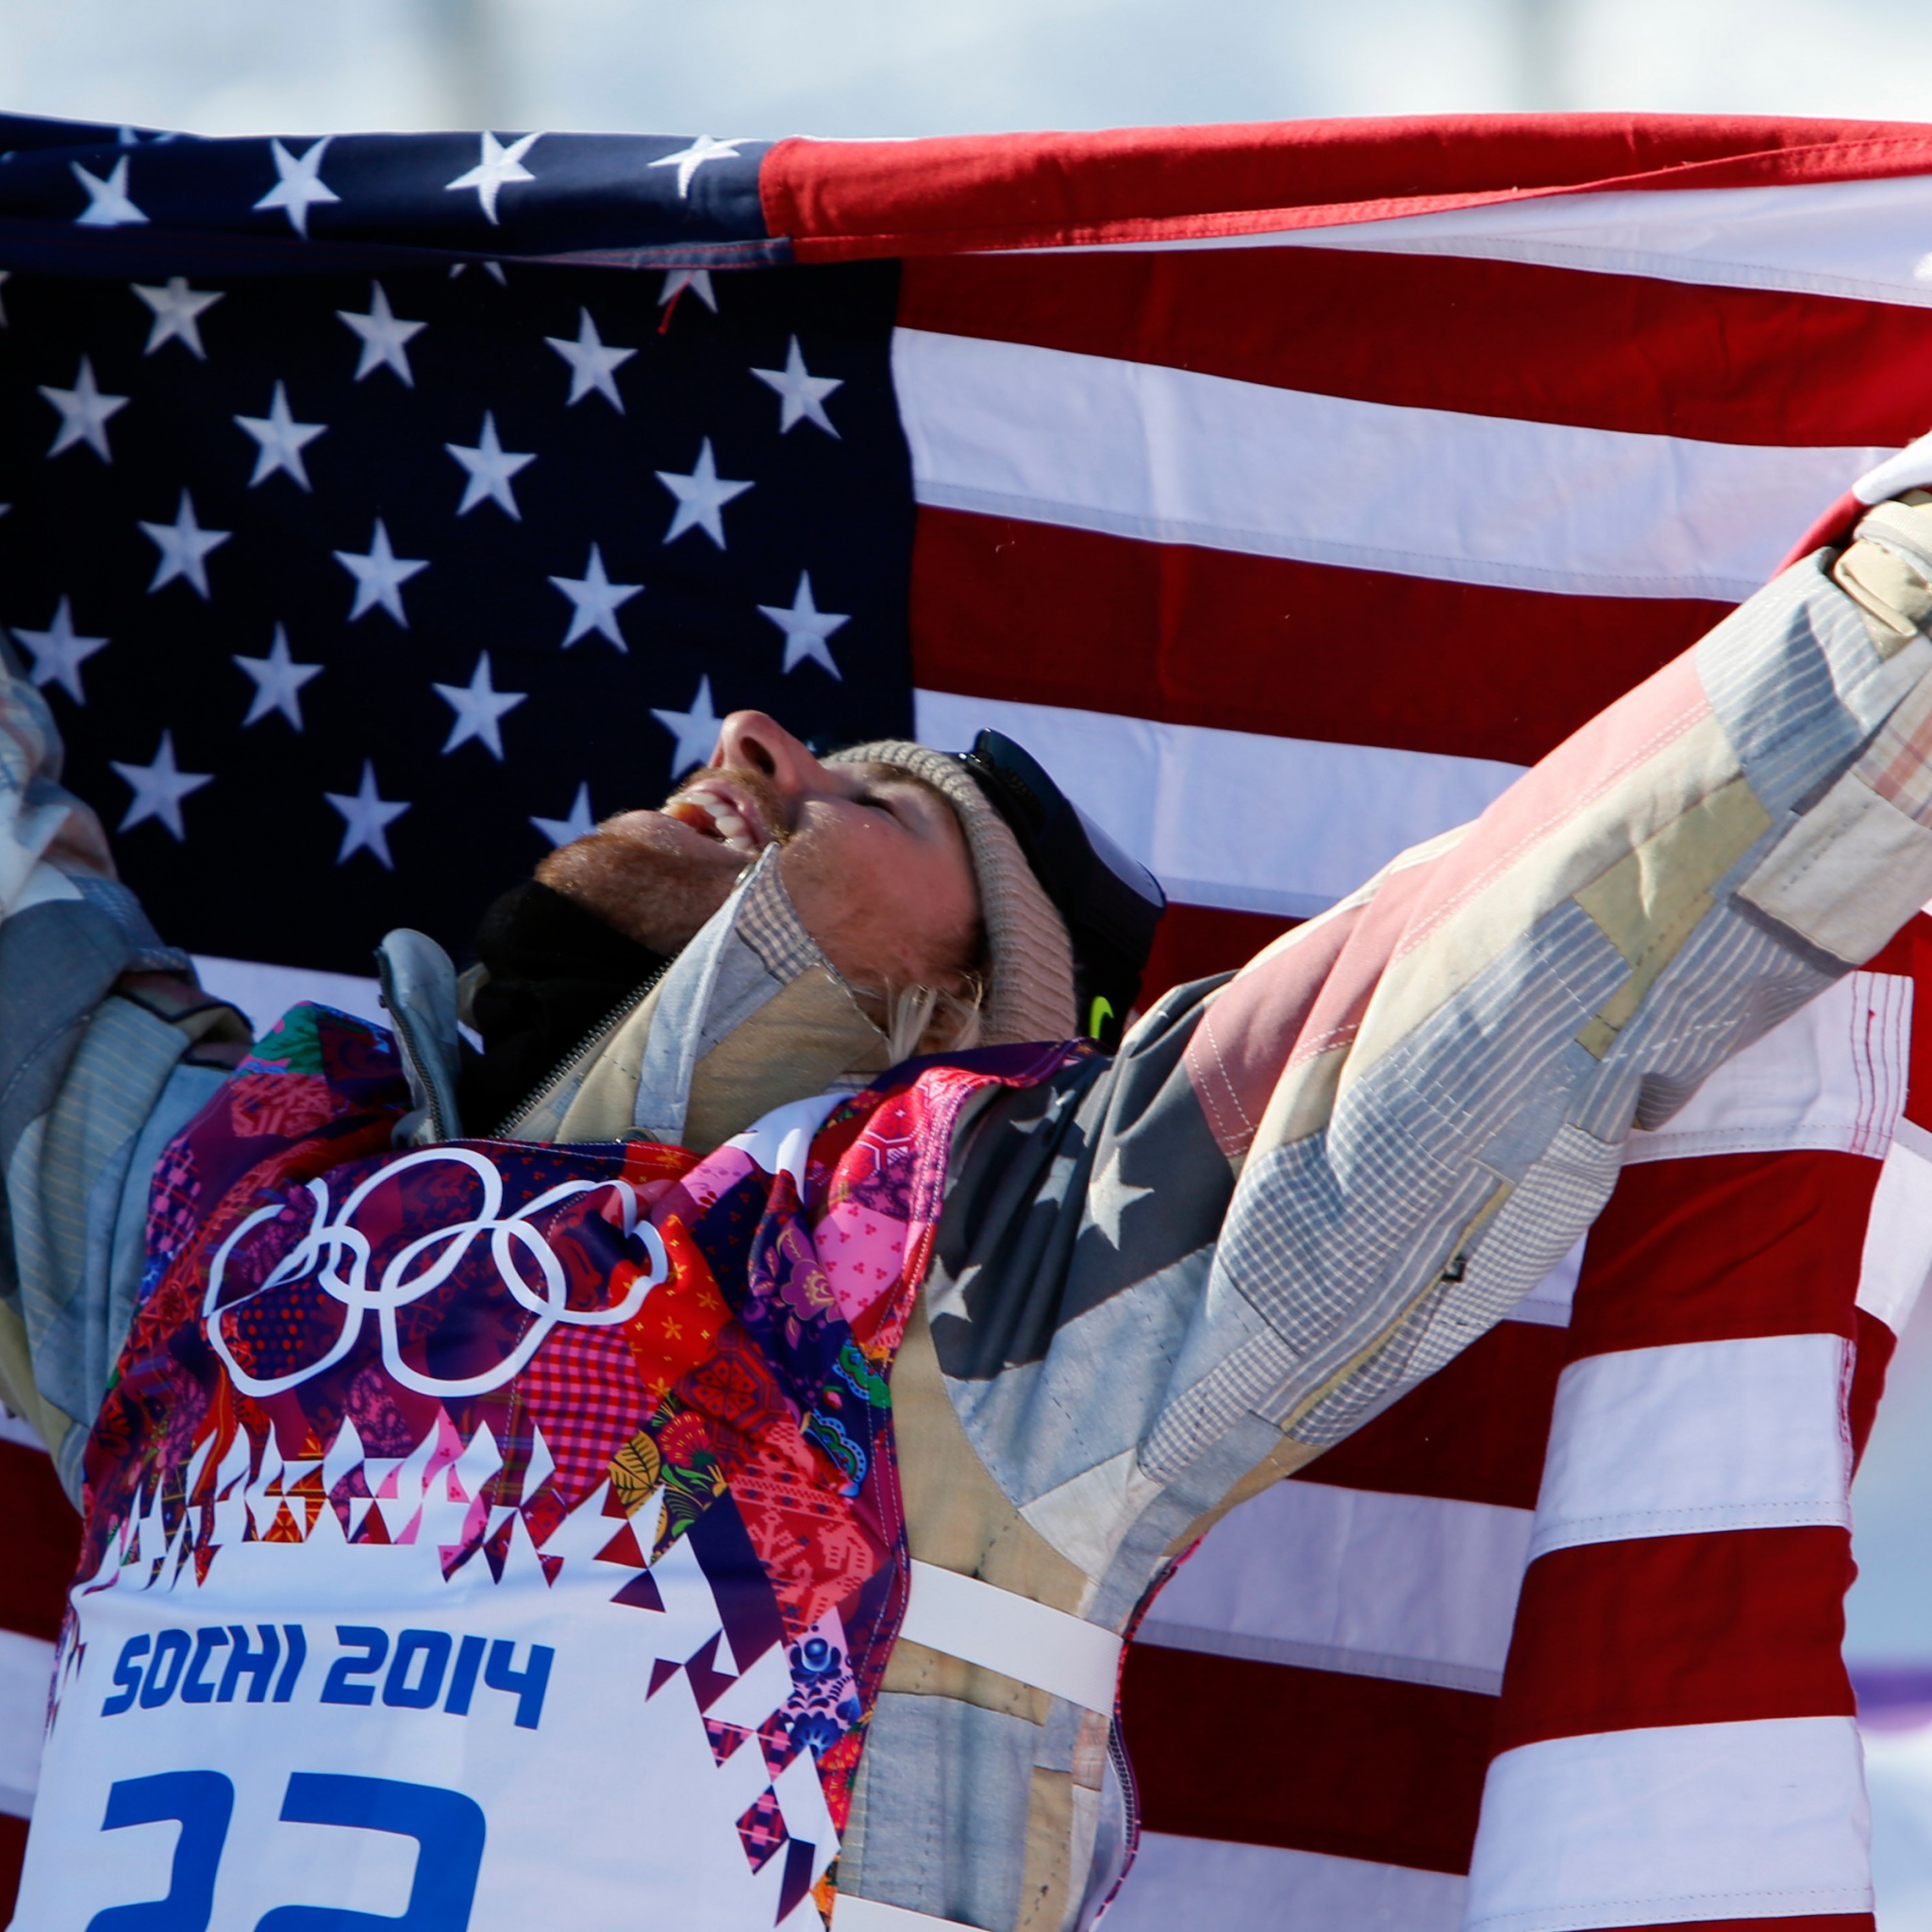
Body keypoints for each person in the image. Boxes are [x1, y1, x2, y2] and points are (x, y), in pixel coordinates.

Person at [6, 477, 1932, 1932]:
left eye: (889, 805)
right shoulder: (204, 1218)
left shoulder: (987, 1270)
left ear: (964, 1010)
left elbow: (1560, 922)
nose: (746, 749)